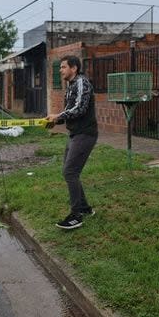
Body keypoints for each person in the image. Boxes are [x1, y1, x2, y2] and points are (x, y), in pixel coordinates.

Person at [45, 55, 98, 230]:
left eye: (63, 67)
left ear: (74, 68)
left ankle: (76, 216)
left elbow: (80, 108)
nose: (60, 70)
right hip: (74, 134)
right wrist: (55, 121)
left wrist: (59, 116)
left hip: (85, 134)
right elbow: (70, 110)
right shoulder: (71, 86)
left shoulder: (82, 82)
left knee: (70, 172)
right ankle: (84, 208)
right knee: (69, 172)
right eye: (60, 67)